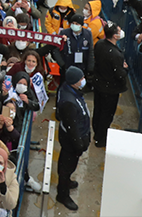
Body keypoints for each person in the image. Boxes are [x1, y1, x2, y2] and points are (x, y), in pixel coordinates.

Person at [56, 67, 91, 211]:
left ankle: (66, 181)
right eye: (80, 79)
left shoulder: (69, 90)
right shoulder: (69, 101)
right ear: (73, 82)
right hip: (71, 141)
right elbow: (72, 127)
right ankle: (62, 194)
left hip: (75, 136)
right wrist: (79, 145)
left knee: (67, 165)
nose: (83, 81)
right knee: (66, 166)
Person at [92, 22, 128, 148]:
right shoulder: (115, 54)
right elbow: (119, 74)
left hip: (99, 84)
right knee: (106, 115)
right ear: (115, 36)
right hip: (110, 89)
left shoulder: (100, 44)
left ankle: (97, 133)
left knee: (98, 110)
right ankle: (101, 138)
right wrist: (125, 69)